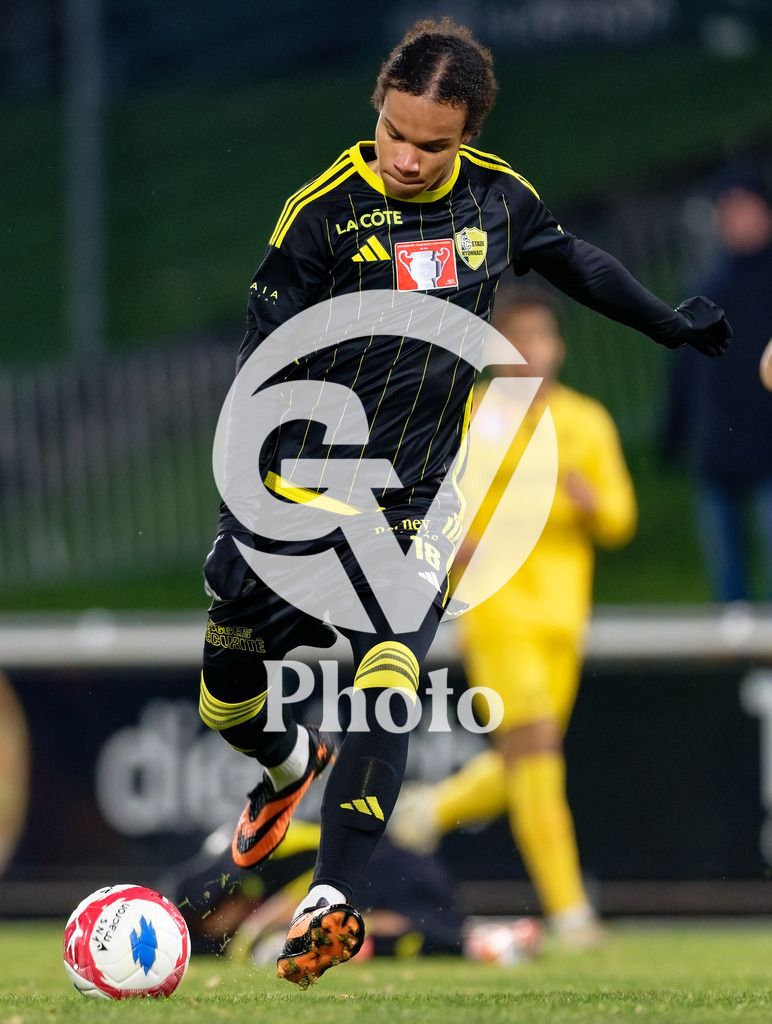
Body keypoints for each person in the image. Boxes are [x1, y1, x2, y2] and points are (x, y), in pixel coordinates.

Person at [199, 17, 730, 987]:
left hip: (418, 502)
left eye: (431, 143)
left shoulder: (497, 198)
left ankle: (333, 896)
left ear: (468, 130)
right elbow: (257, 371)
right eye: (393, 131)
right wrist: (259, 498)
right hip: (309, 484)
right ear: (378, 108)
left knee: (390, 667)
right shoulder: (318, 213)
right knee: (226, 683)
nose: (405, 157)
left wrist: (669, 325)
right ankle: (282, 766)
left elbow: (576, 264)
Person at [389, 286, 637, 949]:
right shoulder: (472, 417)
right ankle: (569, 910)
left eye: (542, 338)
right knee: (535, 754)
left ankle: (433, 807)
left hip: (564, 617)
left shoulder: (586, 422)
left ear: (558, 347)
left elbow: (620, 518)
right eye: (517, 339)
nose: (531, 351)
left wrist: (590, 504)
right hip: (499, 613)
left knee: (527, 758)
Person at [662, 162, 772, 604]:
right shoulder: (709, 282)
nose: (737, 219)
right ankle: (744, 662)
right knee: (728, 578)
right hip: (717, 448)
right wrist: (675, 429)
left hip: (769, 446)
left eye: (744, 208)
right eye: (728, 211)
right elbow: (686, 365)